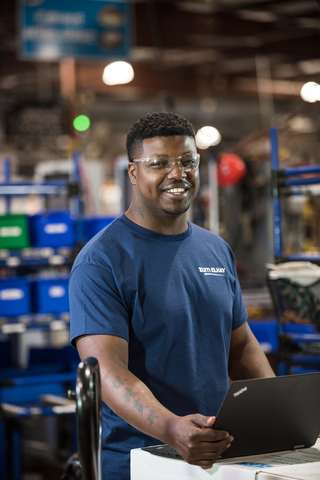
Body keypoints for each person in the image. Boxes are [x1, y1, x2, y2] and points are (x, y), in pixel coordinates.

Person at [69, 111, 275, 480]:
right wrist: (171, 428)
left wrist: (281, 412)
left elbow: (241, 346)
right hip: (141, 460)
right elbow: (108, 373)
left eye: (187, 161)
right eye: (159, 163)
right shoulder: (102, 261)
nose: (177, 173)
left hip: (216, 456)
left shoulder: (215, 249)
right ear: (134, 172)